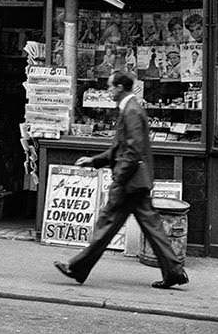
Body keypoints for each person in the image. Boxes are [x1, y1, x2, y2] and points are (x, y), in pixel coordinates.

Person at [53, 71, 189, 289]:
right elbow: (121, 148)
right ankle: (174, 271)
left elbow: (132, 151)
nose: (108, 91)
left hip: (129, 183)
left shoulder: (132, 110)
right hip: (137, 181)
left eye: (109, 87)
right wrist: (95, 161)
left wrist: (119, 179)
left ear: (119, 87)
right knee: (152, 226)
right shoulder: (129, 108)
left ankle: (76, 267)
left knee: (107, 223)